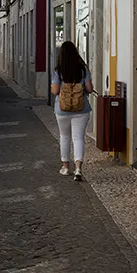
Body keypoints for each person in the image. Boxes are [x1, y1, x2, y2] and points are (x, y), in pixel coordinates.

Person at [51, 41, 94, 182]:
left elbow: (55, 91)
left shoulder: (58, 70)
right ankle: (78, 169)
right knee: (78, 138)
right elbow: (89, 89)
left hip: (62, 110)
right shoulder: (83, 69)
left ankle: (65, 167)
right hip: (81, 109)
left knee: (65, 137)